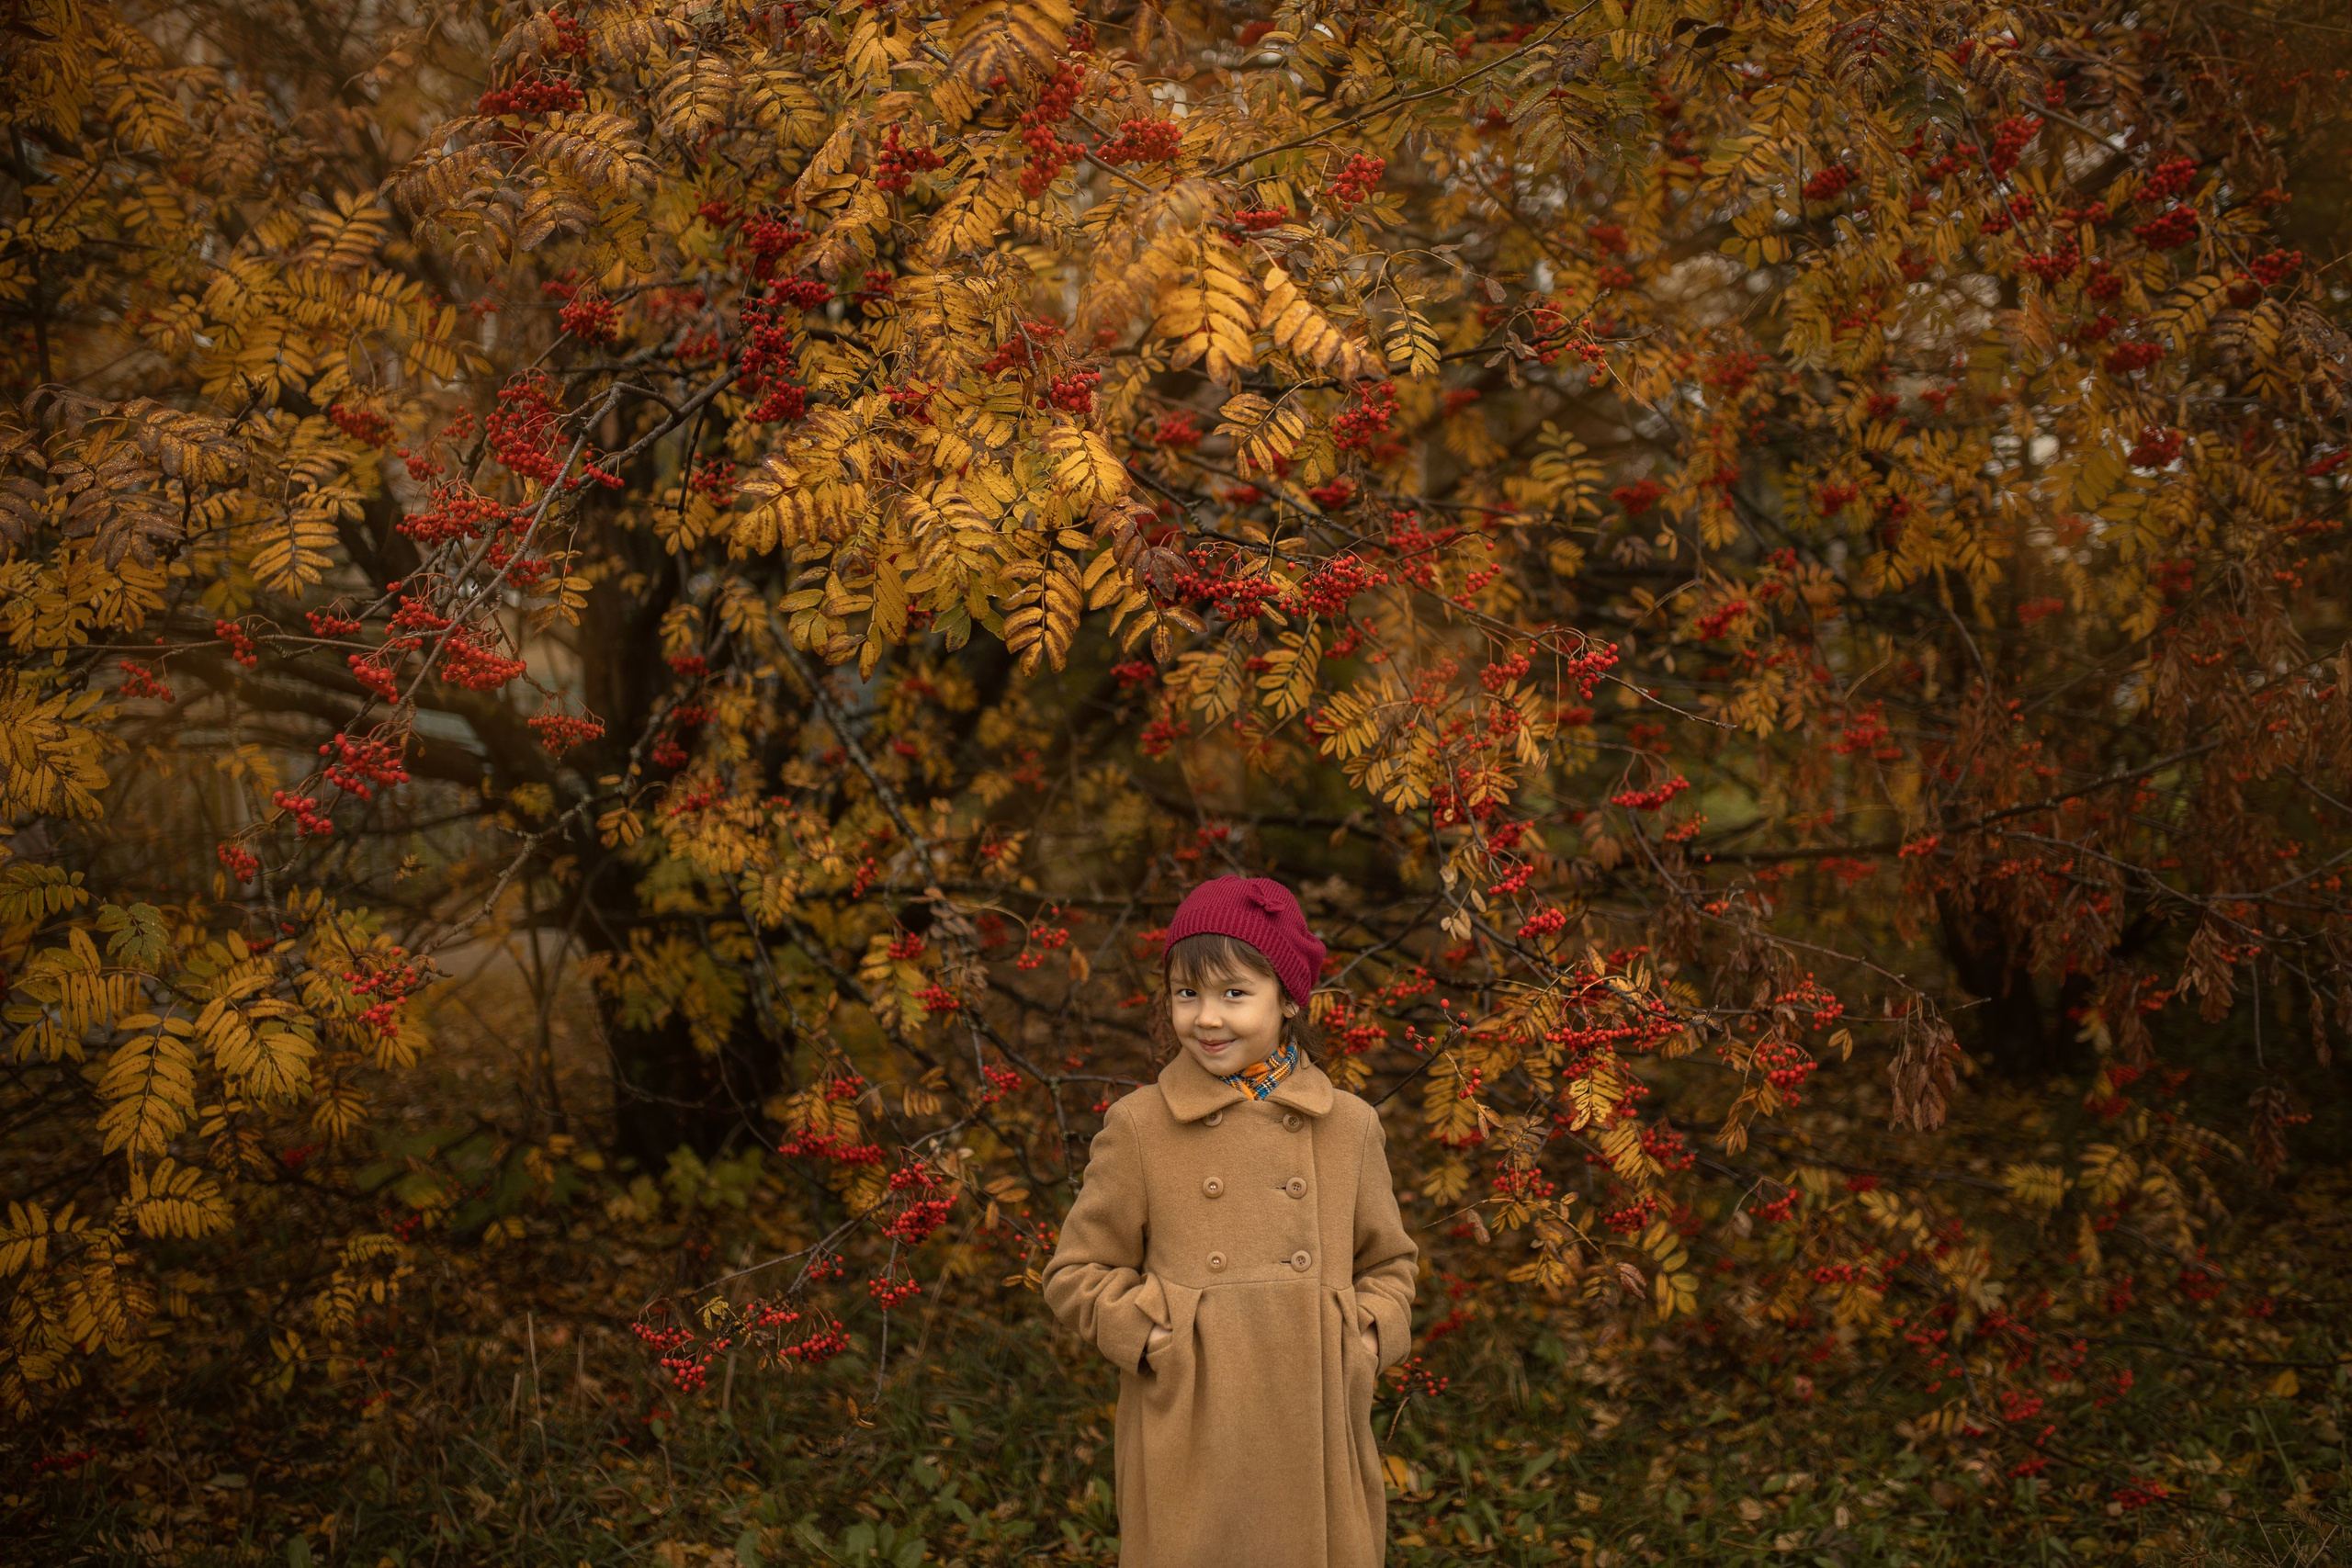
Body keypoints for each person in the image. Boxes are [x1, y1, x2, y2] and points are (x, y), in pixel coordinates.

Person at [1043, 874, 1419, 1568]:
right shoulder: (1140, 1126)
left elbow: (1391, 1263)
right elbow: (1075, 1271)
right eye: (1187, 993)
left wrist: (1363, 1334)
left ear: (1288, 1001)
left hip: (1319, 1424)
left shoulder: (1350, 1126)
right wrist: (1153, 1331)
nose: (1206, 1017)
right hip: (1191, 1426)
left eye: (1234, 993)